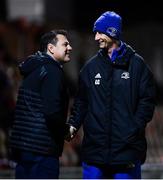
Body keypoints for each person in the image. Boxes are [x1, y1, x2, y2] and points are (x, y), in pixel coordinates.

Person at [66, 11, 155, 179]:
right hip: (95, 152)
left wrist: (133, 128)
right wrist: (73, 125)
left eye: (100, 32)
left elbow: (147, 101)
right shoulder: (90, 68)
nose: (96, 37)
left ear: (112, 32)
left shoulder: (137, 65)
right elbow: (81, 101)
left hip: (126, 151)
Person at [9, 29, 72, 179]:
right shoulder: (52, 71)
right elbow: (51, 113)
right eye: (65, 44)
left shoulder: (33, 69)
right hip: (42, 150)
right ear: (51, 48)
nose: (70, 48)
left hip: (23, 149)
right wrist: (66, 131)